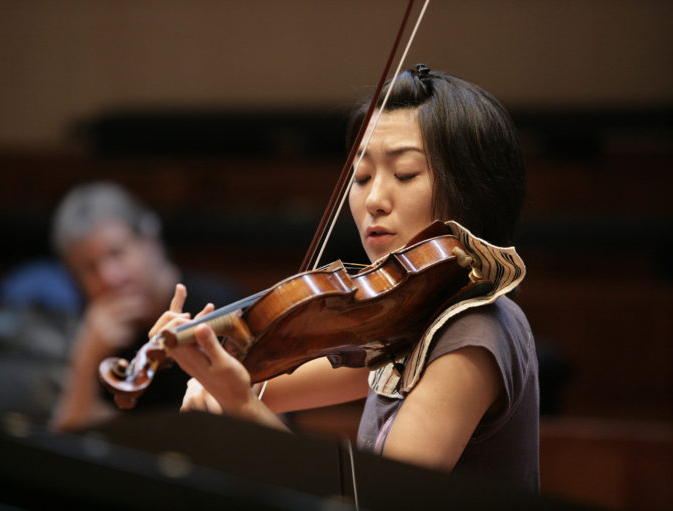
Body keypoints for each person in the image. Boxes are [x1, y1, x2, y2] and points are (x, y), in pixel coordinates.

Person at [147, 65, 539, 491]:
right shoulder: (407, 321)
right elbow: (262, 387)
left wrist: (238, 402)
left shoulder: (475, 332)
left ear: (472, 188)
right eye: (362, 176)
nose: (373, 200)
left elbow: (377, 498)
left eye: (405, 174)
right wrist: (212, 367)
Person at [48, 181, 239, 431]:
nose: (108, 277)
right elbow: (66, 438)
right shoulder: (94, 330)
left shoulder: (218, 304)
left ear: (150, 240)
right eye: (89, 268)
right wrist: (86, 362)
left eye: (116, 253)